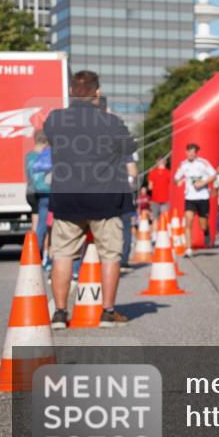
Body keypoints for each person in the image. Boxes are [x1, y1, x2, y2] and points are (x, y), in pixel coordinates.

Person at [43, 70, 138, 328]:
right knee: (110, 255)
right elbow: (129, 148)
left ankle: (60, 313)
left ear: (71, 91)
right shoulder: (111, 122)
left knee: (62, 254)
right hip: (106, 199)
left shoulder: (55, 119)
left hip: (67, 198)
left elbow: (50, 138)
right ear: (98, 92)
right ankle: (108, 311)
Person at [174, 143, 217, 257]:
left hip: (203, 197)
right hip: (190, 197)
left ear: (196, 153)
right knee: (188, 222)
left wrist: (203, 182)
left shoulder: (203, 163)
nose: (191, 154)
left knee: (203, 224)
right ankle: (188, 249)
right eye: (190, 152)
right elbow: (176, 178)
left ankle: (206, 232)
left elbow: (214, 175)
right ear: (186, 152)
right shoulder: (183, 165)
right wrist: (178, 181)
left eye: (194, 152)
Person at [25, 131, 52, 254]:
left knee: (36, 223)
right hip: (45, 192)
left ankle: (34, 249)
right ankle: (43, 251)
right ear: (45, 143)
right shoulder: (45, 157)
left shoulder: (29, 156)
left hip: (31, 192)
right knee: (47, 224)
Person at [147, 156, 171, 222]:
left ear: (157, 162)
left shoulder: (152, 172)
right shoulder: (169, 173)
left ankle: (155, 229)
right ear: (165, 162)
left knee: (155, 220)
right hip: (166, 199)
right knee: (165, 219)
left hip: (155, 198)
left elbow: (150, 187)